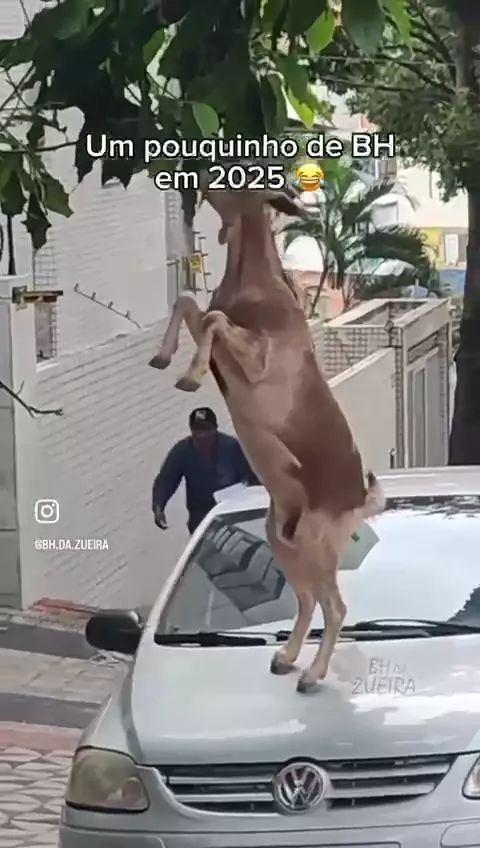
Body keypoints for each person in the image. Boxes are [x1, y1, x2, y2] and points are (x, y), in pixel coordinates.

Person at [152, 407, 258, 534]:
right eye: (197, 430)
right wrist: (159, 505)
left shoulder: (231, 447)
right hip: (201, 520)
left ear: (215, 428)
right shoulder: (182, 451)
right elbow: (166, 480)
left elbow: (251, 476)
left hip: (233, 516)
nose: (201, 435)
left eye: (206, 430)